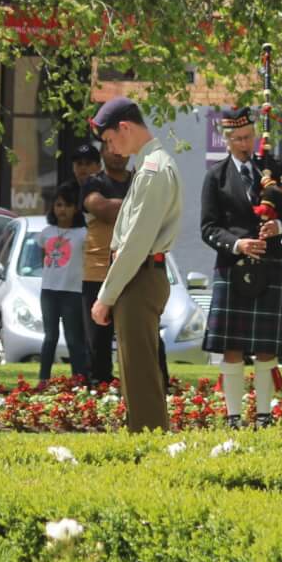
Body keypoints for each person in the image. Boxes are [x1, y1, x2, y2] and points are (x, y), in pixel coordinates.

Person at [88, 97, 179, 432]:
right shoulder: (150, 165)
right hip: (140, 275)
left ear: (124, 127)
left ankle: (148, 443)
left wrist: (105, 296)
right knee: (135, 373)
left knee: (139, 376)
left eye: (110, 139)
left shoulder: (153, 170)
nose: (110, 149)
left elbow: (136, 242)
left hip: (139, 276)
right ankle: (145, 438)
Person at [199, 105, 282, 427]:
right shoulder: (216, 177)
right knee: (231, 347)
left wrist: (279, 227)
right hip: (232, 267)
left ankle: (264, 416)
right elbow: (208, 228)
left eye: (248, 137)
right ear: (226, 140)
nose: (244, 144)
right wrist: (238, 244)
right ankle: (233, 417)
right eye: (237, 138)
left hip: (270, 265)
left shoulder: (274, 170)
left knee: (266, 348)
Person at [79, 143, 132, 386]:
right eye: (112, 148)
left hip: (134, 269)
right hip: (98, 271)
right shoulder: (93, 183)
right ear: (102, 152)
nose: (118, 152)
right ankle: (99, 390)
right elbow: (103, 210)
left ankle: (155, 383)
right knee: (98, 339)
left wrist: (118, 205)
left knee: (142, 334)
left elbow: (158, 211)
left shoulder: (139, 180)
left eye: (121, 147)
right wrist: (137, 206)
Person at [37, 183, 88, 383]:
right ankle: (43, 380)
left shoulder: (83, 234)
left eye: (67, 205)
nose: (62, 209)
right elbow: (44, 257)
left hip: (72, 292)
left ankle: (79, 381)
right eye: (58, 205)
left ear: (76, 208)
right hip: (49, 291)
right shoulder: (46, 232)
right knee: (50, 337)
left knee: (74, 338)